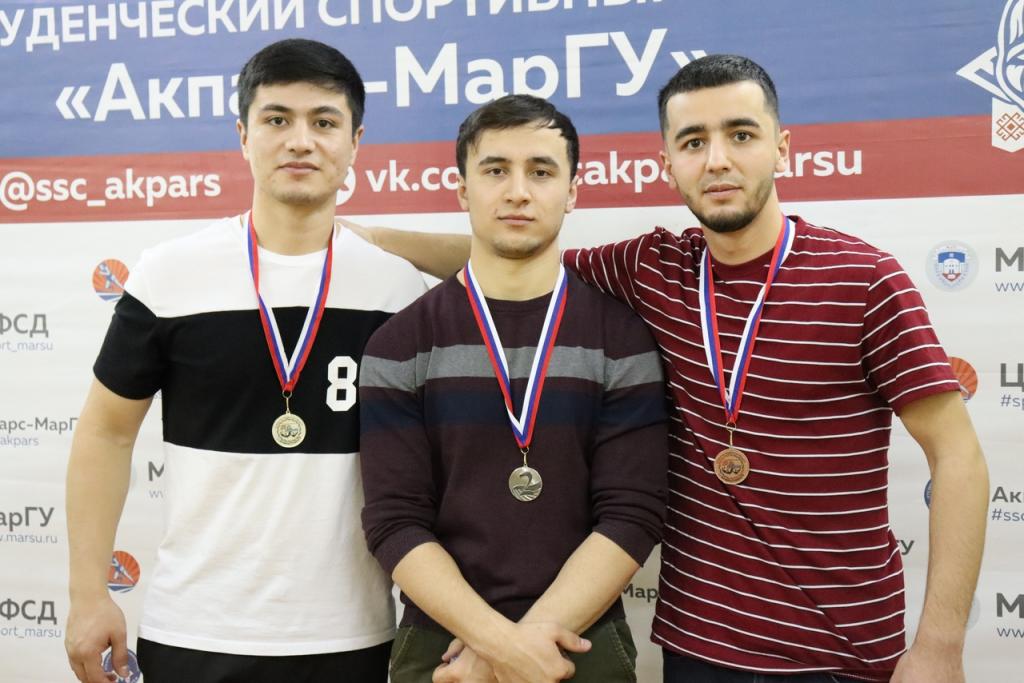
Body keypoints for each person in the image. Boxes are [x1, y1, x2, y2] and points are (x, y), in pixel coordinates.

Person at [351, 55, 989, 683]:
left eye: (741, 135)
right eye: (693, 141)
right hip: (698, 648)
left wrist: (940, 646)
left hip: (842, 653)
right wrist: (360, 242)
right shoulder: (653, 270)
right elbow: (514, 250)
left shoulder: (864, 280)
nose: (717, 160)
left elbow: (958, 458)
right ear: (667, 162)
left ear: (782, 148)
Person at [64, 38, 425, 683]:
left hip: (351, 631)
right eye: (277, 119)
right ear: (243, 136)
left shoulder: (396, 288)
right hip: (195, 627)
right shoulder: (170, 274)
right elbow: (105, 433)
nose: (300, 141)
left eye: (324, 122)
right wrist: (90, 594)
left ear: (355, 143)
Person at [358, 94, 669, 683]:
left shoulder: (621, 339)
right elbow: (395, 521)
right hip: (441, 648)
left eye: (541, 172)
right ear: (462, 189)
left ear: (572, 191)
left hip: (580, 640)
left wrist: (512, 648)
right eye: (496, 170)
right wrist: (496, 641)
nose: (518, 192)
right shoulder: (399, 343)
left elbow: (632, 514)